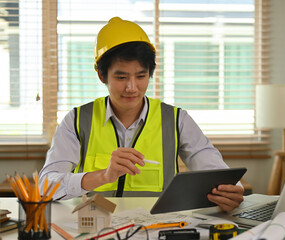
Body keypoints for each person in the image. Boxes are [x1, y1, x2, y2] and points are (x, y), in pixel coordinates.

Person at [39, 17, 244, 212]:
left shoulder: (176, 120)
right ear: (102, 75)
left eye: (141, 76)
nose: (132, 87)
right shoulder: (76, 120)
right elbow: (45, 187)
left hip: (157, 229)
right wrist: (104, 175)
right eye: (121, 77)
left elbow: (218, 173)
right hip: (93, 228)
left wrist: (232, 191)